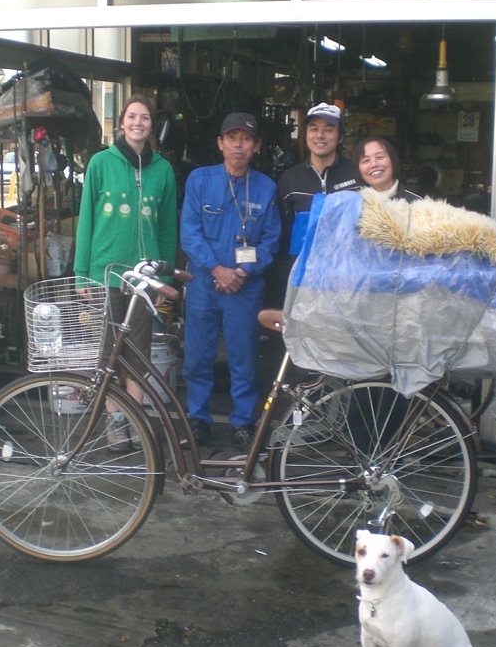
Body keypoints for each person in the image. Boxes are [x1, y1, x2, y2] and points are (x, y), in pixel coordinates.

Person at [74, 94, 178, 450]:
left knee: (139, 354)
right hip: (107, 273)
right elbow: (85, 220)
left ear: (152, 126)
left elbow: (167, 227)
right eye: (132, 117)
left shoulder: (162, 169)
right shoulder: (101, 163)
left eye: (145, 118)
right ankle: (114, 420)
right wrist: (81, 274)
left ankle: (134, 417)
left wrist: (163, 278)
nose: (138, 123)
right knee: (109, 353)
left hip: (144, 278)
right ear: (121, 123)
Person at [179, 112, 281, 448]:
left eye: (246, 139)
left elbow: (270, 240)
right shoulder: (199, 180)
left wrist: (242, 272)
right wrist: (216, 269)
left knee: (244, 358)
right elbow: (189, 233)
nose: (239, 145)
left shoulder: (266, 188)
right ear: (220, 144)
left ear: (256, 147)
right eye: (232, 138)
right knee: (197, 356)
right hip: (204, 284)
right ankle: (198, 419)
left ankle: (243, 422)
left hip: (244, 287)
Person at [265, 102, 359, 306]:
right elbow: (282, 231)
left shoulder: (357, 176)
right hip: (304, 281)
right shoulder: (290, 180)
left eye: (328, 129)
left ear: (340, 136)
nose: (320, 135)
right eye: (314, 128)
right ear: (305, 134)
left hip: (350, 279)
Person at [353, 136, 421, 202]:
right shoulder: (350, 203)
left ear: (393, 161)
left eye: (379, 157)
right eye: (366, 160)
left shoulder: (416, 204)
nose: (374, 164)